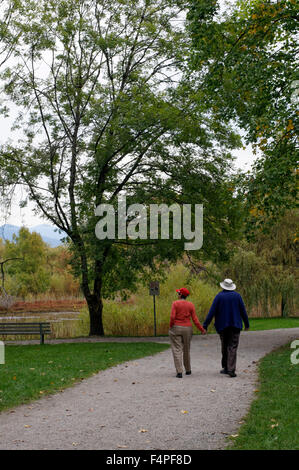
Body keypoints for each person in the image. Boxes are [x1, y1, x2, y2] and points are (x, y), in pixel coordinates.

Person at [203, 278, 250, 378]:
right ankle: (231, 369)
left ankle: (225, 367)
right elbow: (243, 311)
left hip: (222, 326)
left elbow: (212, 312)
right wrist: (246, 324)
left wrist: (205, 325)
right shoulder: (237, 296)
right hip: (235, 325)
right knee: (232, 346)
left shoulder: (219, 296)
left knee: (224, 346)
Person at [169, 287, 206, 378]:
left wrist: (171, 325)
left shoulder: (175, 303)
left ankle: (179, 371)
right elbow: (195, 320)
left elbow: (172, 317)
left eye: (178, 293)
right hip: (188, 328)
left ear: (181, 295)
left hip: (176, 327)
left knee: (177, 349)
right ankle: (188, 370)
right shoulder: (191, 305)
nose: (178, 295)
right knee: (186, 349)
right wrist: (202, 329)